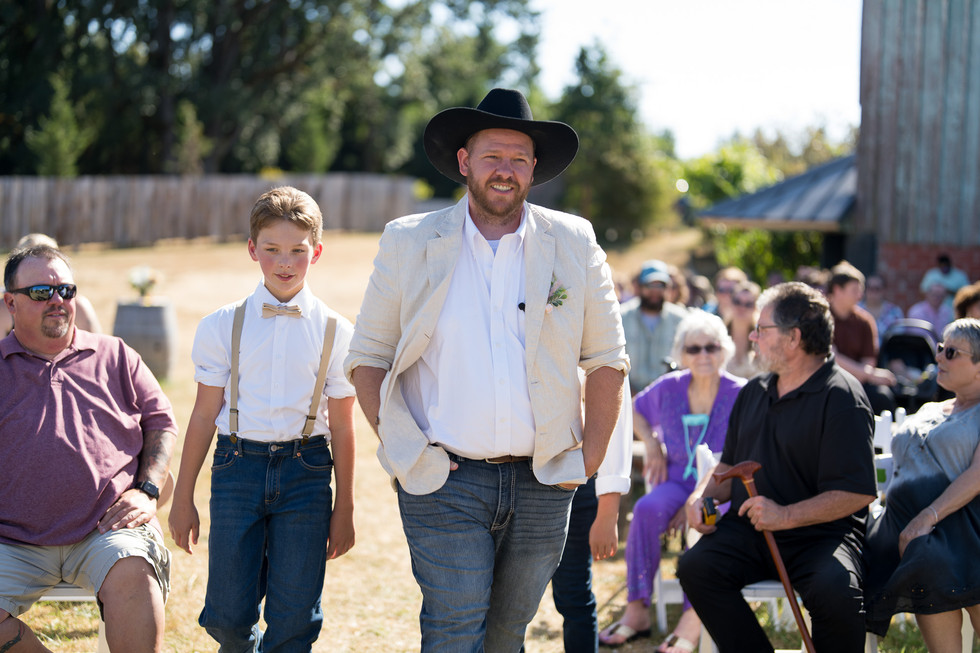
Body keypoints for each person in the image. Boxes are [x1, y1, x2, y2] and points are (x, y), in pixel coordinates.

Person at [344, 88, 629, 652]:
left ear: (534, 169)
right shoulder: (410, 241)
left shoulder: (574, 240)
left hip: (546, 480)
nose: (506, 170)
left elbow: (606, 360)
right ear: (463, 161)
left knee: (506, 634)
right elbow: (368, 357)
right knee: (455, 627)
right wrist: (406, 449)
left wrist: (588, 459)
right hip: (443, 480)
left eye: (519, 159)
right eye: (493, 156)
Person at [168, 186, 357, 651]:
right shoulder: (220, 325)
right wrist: (183, 496)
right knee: (229, 617)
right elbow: (202, 415)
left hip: (307, 472)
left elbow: (344, 427)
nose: (285, 262)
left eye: (297, 251)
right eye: (271, 250)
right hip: (237, 469)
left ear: (316, 251)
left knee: (294, 617)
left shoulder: (337, 332)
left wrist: (346, 506)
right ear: (253, 250)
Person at [677, 281, 878, 652]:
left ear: (793, 338)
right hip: (751, 530)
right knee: (696, 568)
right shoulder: (756, 389)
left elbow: (856, 492)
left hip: (822, 536)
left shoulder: (842, 397)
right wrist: (700, 497)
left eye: (762, 329)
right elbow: (728, 464)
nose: (752, 336)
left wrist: (785, 515)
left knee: (837, 591)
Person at [0, 244, 177, 652]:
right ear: (11, 302)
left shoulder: (115, 355)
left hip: (106, 531)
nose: (57, 301)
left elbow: (162, 422)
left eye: (66, 289)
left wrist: (147, 489)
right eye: (42, 292)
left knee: (136, 572)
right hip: (11, 539)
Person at [599, 312, 746, 652]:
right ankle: (637, 609)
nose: (704, 355)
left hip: (722, 486)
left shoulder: (742, 392)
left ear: (723, 350)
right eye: (694, 348)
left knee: (708, 518)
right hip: (677, 478)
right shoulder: (669, 387)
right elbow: (631, 409)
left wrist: (692, 503)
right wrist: (651, 442)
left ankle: (694, 614)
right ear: (682, 353)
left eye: (711, 347)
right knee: (647, 508)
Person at [864, 318, 980, 649]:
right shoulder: (929, 408)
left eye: (952, 352)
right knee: (923, 554)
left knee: (929, 557)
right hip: (899, 528)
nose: (939, 358)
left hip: (957, 529)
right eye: (941, 348)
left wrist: (928, 516)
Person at [547, 374, 632, 653]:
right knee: (510, 602)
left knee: (573, 592)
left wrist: (608, 512)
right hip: (517, 473)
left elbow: (615, 411)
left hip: (578, 476)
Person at [825, 261, 897, 414]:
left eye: (860, 290)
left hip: (858, 382)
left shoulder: (865, 321)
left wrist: (867, 374)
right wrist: (872, 375)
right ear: (838, 290)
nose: (860, 295)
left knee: (882, 396)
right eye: (854, 290)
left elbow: (868, 363)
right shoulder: (821, 318)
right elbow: (832, 358)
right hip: (826, 381)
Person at [1, 234, 102, 335]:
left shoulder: (79, 306)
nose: (57, 300)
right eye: (40, 292)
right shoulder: (4, 310)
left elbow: (96, 346)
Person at [621, 259, 688, 394]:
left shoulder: (681, 319)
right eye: (650, 286)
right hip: (628, 397)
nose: (655, 292)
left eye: (660, 286)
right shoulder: (621, 317)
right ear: (639, 287)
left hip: (669, 396)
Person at [725, 279, 762, 379]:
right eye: (737, 302)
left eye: (748, 304)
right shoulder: (719, 333)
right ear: (731, 302)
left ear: (755, 307)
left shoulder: (761, 338)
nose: (742, 307)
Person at [859, 274, 904, 344]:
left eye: (877, 289)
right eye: (870, 288)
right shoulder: (856, 310)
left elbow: (898, 339)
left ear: (884, 290)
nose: (873, 292)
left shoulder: (894, 312)